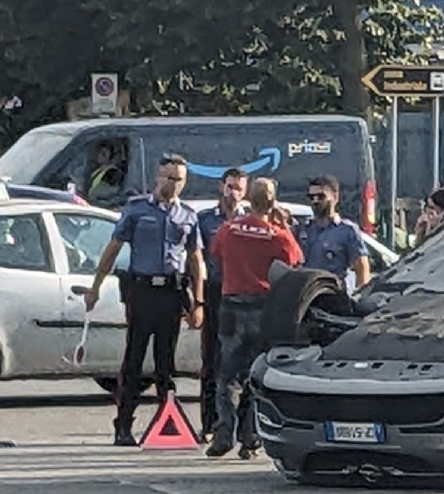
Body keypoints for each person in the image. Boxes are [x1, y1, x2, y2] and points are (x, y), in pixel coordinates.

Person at [84, 153, 205, 446]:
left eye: (179, 180)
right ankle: (123, 426)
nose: (173, 184)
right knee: (134, 360)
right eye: (169, 177)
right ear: (157, 177)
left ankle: (169, 421)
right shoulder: (137, 209)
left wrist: (198, 302)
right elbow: (113, 247)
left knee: (166, 362)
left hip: (171, 293)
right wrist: (96, 286)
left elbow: (195, 258)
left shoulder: (187, 215)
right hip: (142, 291)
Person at [207, 177, 304, 459]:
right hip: (263, 307)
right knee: (256, 373)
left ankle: (224, 430)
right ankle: (249, 437)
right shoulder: (277, 235)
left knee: (226, 374)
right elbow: (296, 261)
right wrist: (282, 225)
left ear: (249, 199)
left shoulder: (229, 229)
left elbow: (216, 255)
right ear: (273, 202)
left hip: (232, 305)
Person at [195, 168, 248, 442]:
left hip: (240, 294)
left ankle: (237, 425)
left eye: (239, 188)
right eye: (230, 187)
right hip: (215, 291)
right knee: (211, 358)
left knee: (239, 361)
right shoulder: (205, 220)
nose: (234, 193)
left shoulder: (249, 221)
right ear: (221, 187)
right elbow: (197, 258)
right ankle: (208, 422)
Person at [296, 175, 370, 289]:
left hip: (333, 295)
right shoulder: (302, 229)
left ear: (335, 197)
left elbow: (362, 268)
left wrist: (360, 297)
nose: (315, 201)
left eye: (321, 196)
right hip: (306, 294)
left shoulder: (347, 230)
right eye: (311, 197)